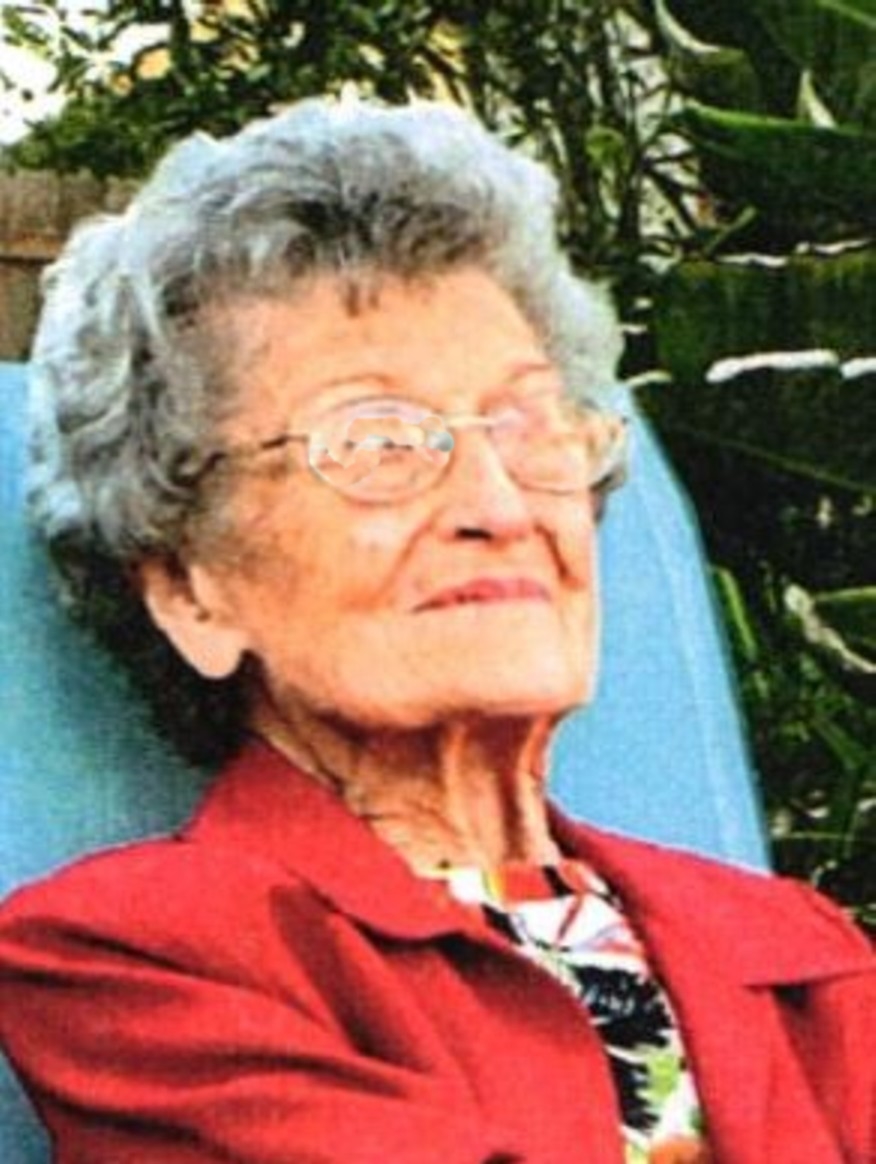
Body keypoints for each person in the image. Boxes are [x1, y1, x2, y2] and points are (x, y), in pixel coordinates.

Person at [0, 98, 872, 1164]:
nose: (500, 505)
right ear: (191, 588)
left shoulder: (794, 948)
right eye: (378, 443)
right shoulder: (137, 958)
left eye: (530, 426)